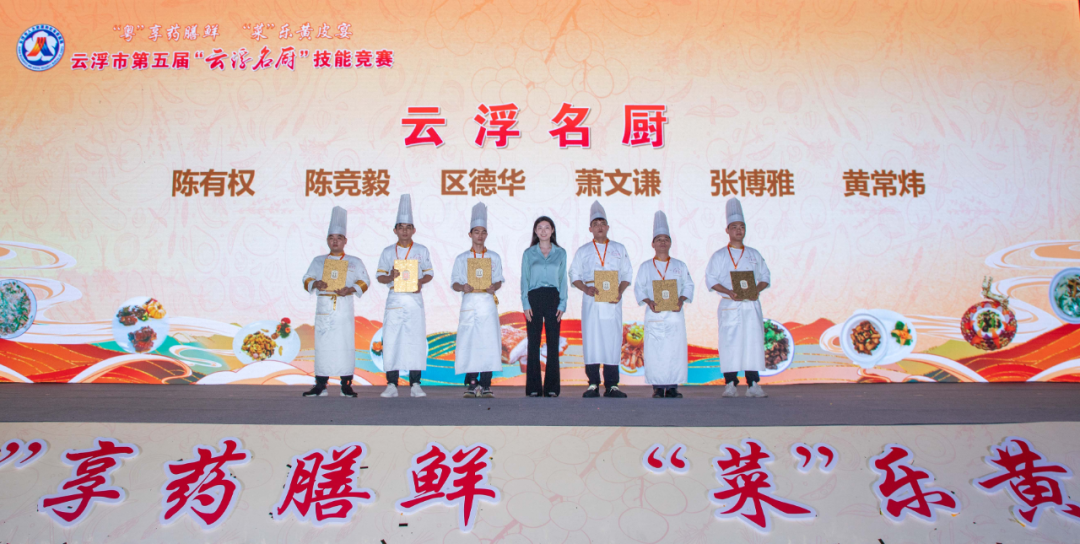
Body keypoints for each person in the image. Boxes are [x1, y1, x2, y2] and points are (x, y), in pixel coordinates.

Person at [705, 197, 771, 398]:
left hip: (750, 305)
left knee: (752, 343)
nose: (738, 230)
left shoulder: (753, 254)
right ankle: (730, 384)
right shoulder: (719, 255)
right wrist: (728, 292)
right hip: (730, 305)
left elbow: (765, 277)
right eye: (734, 227)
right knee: (729, 344)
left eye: (742, 227)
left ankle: (753, 384)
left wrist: (756, 289)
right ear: (727, 230)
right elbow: (711, 280)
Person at [301, 206, 370, 397]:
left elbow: (365, 281)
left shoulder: (354, 261)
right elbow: (306, 279)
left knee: (344, 346)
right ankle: (320, 385)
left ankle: (346, 384)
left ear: (345, 240)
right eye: (331, 238)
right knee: (323, 347)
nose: (335, 241)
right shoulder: (318, 261)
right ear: (327, 240)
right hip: (324, 308)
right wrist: (316, 283)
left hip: (343, 309)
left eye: (339, 238)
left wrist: (350, 289)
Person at [569, 201, 633, 398]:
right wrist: (585, 288)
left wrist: (619, 292)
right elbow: (574, 275)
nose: (599, 227)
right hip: (592, 301)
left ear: (607, 227)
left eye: (602, 223)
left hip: (613, 302)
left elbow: (627, 274)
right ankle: (593, 384)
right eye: (595, 224)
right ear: (590, 229)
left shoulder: (619, 248)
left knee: (612, 341)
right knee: (592, 340)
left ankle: (612, 385)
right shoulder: (583, 250)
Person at [375, 194, 434, 398]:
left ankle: (415, 383)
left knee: (415, 341)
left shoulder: (421, 250)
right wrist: (390, 276)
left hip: (414, 300)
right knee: (392, 340)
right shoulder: (387, 252)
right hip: (395, 299)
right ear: (395, 230)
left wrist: (420, 282)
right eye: (401, 227)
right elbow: (380, 276)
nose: (405, 231)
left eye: (409, 227)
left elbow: (429, 273)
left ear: (414, 230)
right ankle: (391, 384)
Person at [634, 211, 695, 399]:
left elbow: (689, 285)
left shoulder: (679, 265)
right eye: (658, 239)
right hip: (655, 315)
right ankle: (658, 387)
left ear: (670, 243)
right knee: (656, 352)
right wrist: (649, 301)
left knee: (675, 351)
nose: (662, 242)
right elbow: (639, 288)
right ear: (652, 244)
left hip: (674, 315)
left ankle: (673, 387)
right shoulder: (646, 266)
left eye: (666, 239)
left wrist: (681, 300)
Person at [451, 203, 504, 398]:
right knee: (470, 343)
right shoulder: (462, 258)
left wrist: (494, 287)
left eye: (483, 232)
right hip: (470, 303)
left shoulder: (494, 257)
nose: (480, 236)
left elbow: (499, 280)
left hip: (487, 304)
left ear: (486, 234)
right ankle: (472, 384)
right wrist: (462, 287)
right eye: (476, 232)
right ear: (470, 234)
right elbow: (454, 282)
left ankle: (486, 383)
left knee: (488, 342)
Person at [520, 216, 568, 397]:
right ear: (535, 231)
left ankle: (552, 388)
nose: (543, 231)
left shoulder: (560, 253)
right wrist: (525, 303)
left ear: (552, 230)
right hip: (534, 297)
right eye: (539, 227)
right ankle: (533, 387)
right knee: (533, 342)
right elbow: (524, 279)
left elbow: (563, 279)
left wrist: (563, 303)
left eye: (547, 227)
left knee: (553, 342)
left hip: (553, 297)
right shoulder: (529, 253)